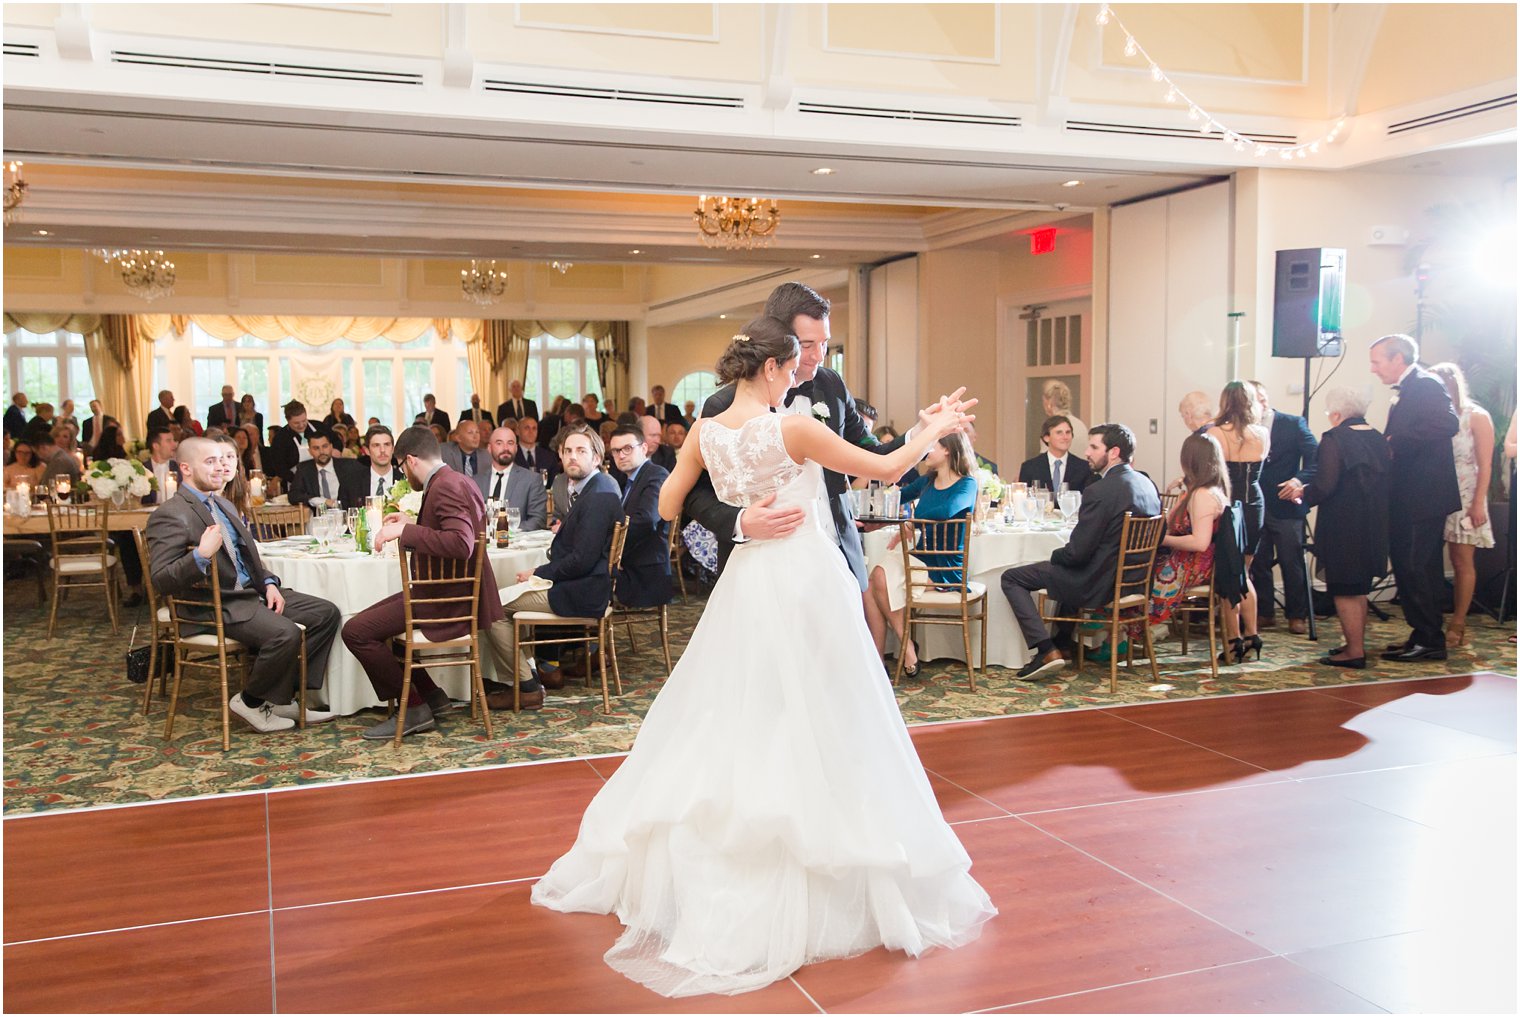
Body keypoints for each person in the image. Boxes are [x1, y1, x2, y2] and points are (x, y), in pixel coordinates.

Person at [532, 317, 992, 996]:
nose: (803, 370)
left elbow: (664, 501)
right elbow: (889, 469)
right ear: (776, 368)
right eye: (797, 362)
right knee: (824, 710)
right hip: (805, 582)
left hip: (749, 581)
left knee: (742, 710)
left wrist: (740, 519)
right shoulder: (792, 427)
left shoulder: (706, 432)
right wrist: (936, 426)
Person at [683, 282, 921, 592]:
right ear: (778, 337)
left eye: (825, 343)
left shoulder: (831, 386)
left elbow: (873, 456)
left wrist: (921, 434)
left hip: (836, 555)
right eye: (807, 344)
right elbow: (693, 493)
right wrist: (740, 521)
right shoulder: (723, 406)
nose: (818, 356)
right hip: (761, 564)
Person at [147, 437, 342, 732]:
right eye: (209, 462)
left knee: (324, 614)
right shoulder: (171, 513)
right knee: (284, 634)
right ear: (185, 468)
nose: (220, 467)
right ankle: (250, 701)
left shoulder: (222, 503)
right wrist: (200, 555)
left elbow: (247, 556)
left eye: (221, 460)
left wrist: (268, 583)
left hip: (249, 594)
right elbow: (161, 578)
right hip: (211, 604)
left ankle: (281, 698)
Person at [342, 426, 501, 739]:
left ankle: (413, 708)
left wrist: (406, 533)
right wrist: (411, 523)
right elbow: (449, 531)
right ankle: (433, 698)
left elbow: (460, 543)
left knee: (356, 632)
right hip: (441, 592)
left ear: (410, 460)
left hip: (444, 600)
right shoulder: (455, 478)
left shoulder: (444, 486)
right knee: (372, 626)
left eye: (402, 467)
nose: (404, 474)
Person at [1000, 423, 1161, 680]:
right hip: (1135, 582)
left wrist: (1053, 556)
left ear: (1114, 452)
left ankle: (1046, 650)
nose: (1086, 452)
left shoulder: (1100, 490)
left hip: (1098, 583)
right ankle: (1062, 642)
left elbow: (1077, 553)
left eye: (1094, 447)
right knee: (1060, 568)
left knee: (1012, 577)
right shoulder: (1147, 484)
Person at [486, 424, 620, 709]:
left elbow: (582, 559)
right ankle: (529, 672)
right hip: (584, 585)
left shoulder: (599, 495)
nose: (573, 457)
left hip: (583, 593)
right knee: (506, 597)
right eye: (568, 451)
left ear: (597, 457)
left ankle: (526, 686)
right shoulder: (593, 489)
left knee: (492, 607)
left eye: (581, 451)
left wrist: (538, 573)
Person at [1279, 388, 1391, 668]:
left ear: (1338, 414)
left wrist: (1301, 493)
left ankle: (1354, 651)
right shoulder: (1377, 437)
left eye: (1329, 413)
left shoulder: (1335, 439)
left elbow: (1326, 483)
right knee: (1359, 588)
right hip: (1373, 521)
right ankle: (1355, 644)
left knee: (1344, 587)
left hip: (1344, 523)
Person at [1092, 433, 1228, 662]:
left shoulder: (1204, 495)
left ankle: (1107, 619)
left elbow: (1199, 542)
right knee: (1128, 564)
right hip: (1185, 558)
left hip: (1194, 564)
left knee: (1133, 573)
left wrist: (1160, 539)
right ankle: (1112, 634)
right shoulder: (1197, 490)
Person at [1371, 334, 1461, 661]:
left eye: (1377, 361)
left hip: (1422, 496)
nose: (1372, 369)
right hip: (1411, 494)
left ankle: (1430, 641)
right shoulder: (1411, 388)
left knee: (1416, 566)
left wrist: (1396, 440)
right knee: (1410, 566)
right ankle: (1421, 633)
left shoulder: (1426, 383)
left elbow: (1449, 423)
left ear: (1399, 359)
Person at [865, 433, 977, 676]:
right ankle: (879, 660)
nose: (926, 452)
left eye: (931, 446)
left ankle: (905, 648)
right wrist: (881, 503)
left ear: (947, 450)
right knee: (870, 584)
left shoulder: (967, 484)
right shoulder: (927, 481)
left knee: (879, 578)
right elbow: (895, 500)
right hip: (920, 557)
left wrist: (910, 523)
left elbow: (947, 510)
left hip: (945, 566)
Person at [1429, 362, 1495, 647]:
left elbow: (1485, 464)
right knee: (1427, 560)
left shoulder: (1476, 417)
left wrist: (1478, 503)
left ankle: (1458, 622)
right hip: (1434, 492)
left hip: (1467, 494)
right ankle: (1430, 620)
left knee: (1460, 560)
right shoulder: (1433, 416)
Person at [1206, 381, 1269, 662]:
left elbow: (1215, 475)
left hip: (1230, 505)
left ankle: (1233, 642)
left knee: (1227, 577)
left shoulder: (1216, 433)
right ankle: (1253, 634)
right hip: (1255, 503)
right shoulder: (1262, 433)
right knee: (1244, 571)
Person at [1252, 381, 1319, 635]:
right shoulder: (1243, 429)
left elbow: (1316, 458)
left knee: (1292, 562)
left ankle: (1297, 614)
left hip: (1287, 504)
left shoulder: (1293, 423)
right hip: (1256, 504)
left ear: (1265, 398)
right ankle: (1265, 613)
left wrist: (1299, 480)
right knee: (1259, 561)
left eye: (1261, 397)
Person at [606, 424, 672, 611]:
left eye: (628, 448)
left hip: (644, 570)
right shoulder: (626, 479)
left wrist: (606, 542)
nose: (621, 455)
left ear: (644, 448)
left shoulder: (656, 475)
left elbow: (645, 521)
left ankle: (586, 633)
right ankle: (583, 634)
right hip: (629, 562)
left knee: (582, 576)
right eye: (616, 451)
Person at [478, 424, 547, 530]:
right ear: (489, 448)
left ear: (516, 448)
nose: (505, 448)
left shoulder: (532, 480)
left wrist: (504, 531)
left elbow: (538, 520)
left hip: (517, 543)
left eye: (510, 443)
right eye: (499, 443)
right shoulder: (475, 481)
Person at [265, 400, 330, 488]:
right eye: (296, 423)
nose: (301, 425)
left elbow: (336, 442)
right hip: (296, 483)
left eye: (304, 421)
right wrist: (298, 480)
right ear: (287, 420)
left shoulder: (319, 427)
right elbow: (279, 468)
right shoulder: (280, 439)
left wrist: (335, 451)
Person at [1017, 415, 1091, 492]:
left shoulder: (1084, 468)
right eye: (1059, 433)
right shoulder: (1029, 467)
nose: (1065, 437)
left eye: (1068, 432)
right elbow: (1023, 500)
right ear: (1046, 437)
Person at [288, 431, 359, 511]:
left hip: (347, 515)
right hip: (318, 518)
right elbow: (293, 495)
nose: (321, 452)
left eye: (325, 446)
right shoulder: (304, 469)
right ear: (310, 451)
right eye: (316, 448)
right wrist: (320, 501)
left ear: (331, 447)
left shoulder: (349, 465)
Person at [355, 425, 404, 501]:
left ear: (393, 449)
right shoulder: (351, 482)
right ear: (367, 450)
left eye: (387, 444)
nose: (382, 450)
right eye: (376, 445)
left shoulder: (405, 480)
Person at [138, 428, 181, 505]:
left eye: (173, 440)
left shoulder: (179, 468)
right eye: (168, 441)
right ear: (156, 446)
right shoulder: (142, 470)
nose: (174, 444)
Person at [513, 416, 558, 484]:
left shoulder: (549, 457)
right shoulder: (511, 456)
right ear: (517, 431)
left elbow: (554, 485)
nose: (531, 432)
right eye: (527, 428)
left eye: (534, 428)